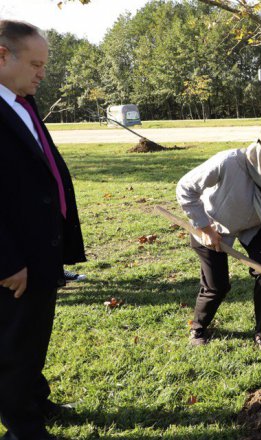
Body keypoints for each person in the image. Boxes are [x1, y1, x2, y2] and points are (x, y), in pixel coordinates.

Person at [0, 19, 86, 439]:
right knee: (14, 347)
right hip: (14, 260)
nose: (41, 72)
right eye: (35, 63)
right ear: (2, 56)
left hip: (40, 248)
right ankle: (23, 428)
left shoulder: (22, 100)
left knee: (34, 338)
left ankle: (35, 399)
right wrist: (8, 261)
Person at [176, 122, 261, 352]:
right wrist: (204, 228)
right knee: (217, 286)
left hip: (255, 224)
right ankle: (198, 327)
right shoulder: (229, 162)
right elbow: (185, 188)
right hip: (214, 224)